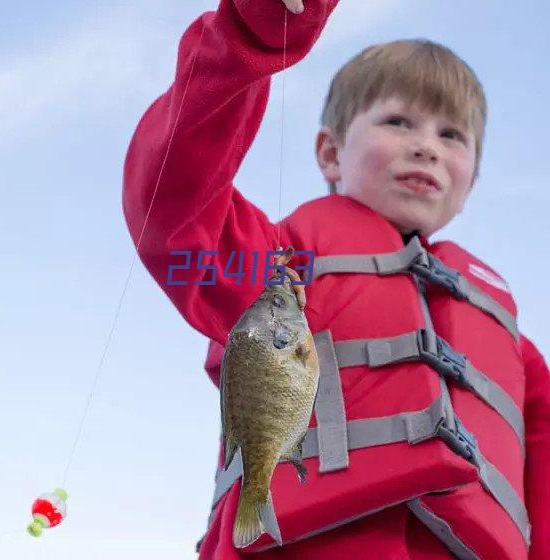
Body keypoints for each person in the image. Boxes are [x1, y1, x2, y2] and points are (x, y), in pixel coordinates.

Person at [122, 1, 550, 558]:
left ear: (470, 183)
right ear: (330, 152)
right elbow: (173, 212)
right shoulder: (282, 268)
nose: (427, 146)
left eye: (453, 135)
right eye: (398, 122)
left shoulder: (513, 349)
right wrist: (251, 30)